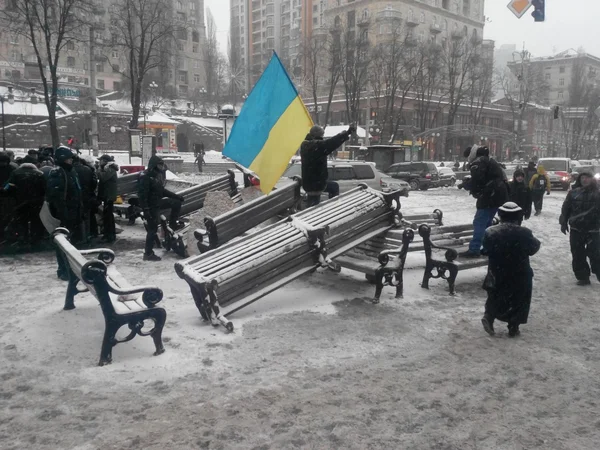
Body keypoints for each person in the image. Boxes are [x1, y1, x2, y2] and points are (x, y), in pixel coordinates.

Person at [480, 202, 541, 337]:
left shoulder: (491, 232)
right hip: (520, 272)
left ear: (501, 216)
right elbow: (534, 248)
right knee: (519, 298)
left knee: (494, 295)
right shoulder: (524, 233)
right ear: (518, 217)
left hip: (497, 270)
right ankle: (513, 326)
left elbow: (484, 250)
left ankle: (489, 317)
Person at [463, 146, 509, 257]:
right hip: (499, 195)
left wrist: (467, 185)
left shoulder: (478, 162)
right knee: (488, 223)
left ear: (471, 155)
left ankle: (474, 249)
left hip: (489, 196)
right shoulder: (490, 161)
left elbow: (478, 181)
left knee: (479, 222)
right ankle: (487, 247)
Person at [138, 155, 185, 261]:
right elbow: (142, 196)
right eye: (160, 164)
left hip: (156, 203)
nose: (162, 166)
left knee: (176, 203)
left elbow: (162, 191)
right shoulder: (145, 177)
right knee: (152, 229)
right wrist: (146, 210)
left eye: (162, 164)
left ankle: (173, 225)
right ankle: (148, 253)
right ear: (154, 165)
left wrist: (176, 196)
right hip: (150, 207)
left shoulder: (156, 176)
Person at [46, 146, 82, 280]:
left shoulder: (69, 171)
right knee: (63, 244)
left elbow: (76, 192)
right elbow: (56, 197)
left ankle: (69, 269)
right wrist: (63, 214)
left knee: (69, 243)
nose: (71, 161)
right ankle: (64, 270)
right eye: (68, 159)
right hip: (64, 215)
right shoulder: (58, 173)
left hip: (72, 212)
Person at [559, 171, 600, 286]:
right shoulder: (573, 193)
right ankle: (583, 277)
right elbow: (566, 208)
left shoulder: (598, 194)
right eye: (582, 178)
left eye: (587, 178)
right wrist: (563, 222)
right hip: (577, 228)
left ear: (592, 180)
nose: (584, 180)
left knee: (595, 253)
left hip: (593, 230)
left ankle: (598, 271)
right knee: (578, 254)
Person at [300, 124, 355, 207]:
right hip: (316, 184)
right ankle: (333, 208)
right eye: (321, 135)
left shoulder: (306, 145)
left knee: (314, 202)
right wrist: (346, 133)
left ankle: (328, 208)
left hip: (310, 183)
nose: (322, 137)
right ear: (317, 135)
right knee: (314, 207)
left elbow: (327, 143)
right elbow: (331, 143)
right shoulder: (315, 146)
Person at [3, 161, 46, 247]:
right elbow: (44, 188)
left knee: (22, 221)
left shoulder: (16, 173)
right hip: (36, 202)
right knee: (36, 221)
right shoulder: (39, 173)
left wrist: (5, 191)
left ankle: (23, 240)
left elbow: (9, 186)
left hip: (20, 202)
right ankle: (35, 241)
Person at [73, 155, 98, 244]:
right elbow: (94, 183)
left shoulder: (72, 170)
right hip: (88, 196)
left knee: (78, 218)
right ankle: (87, 236)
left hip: (77, 197)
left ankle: (80, 238)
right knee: (87, 217)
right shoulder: (88, 169)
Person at [97, 154, 119, 243]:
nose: (99, 162)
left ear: (105, 161)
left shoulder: (110, 169)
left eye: (100, 160)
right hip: (107, 195)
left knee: (108, 216)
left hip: (109, 196)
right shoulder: (108, 168)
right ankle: (108, 234)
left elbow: (103, 178)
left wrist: (98, 169)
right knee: (107, 215)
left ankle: (110, 235)